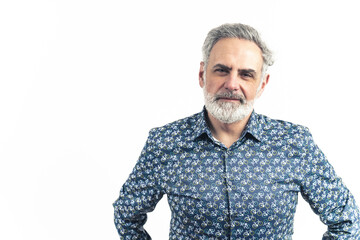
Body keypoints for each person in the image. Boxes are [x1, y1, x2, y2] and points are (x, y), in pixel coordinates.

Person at [113, 23, 360, 239]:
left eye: (246, 74)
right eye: (222, 70)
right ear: (202, 74)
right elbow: (126, 214)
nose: (232, 84)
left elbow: (346, 221)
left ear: (262, 84)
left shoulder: (294, 143)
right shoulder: (165, 143)